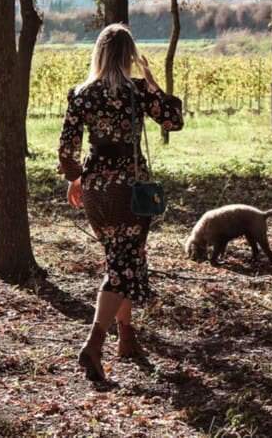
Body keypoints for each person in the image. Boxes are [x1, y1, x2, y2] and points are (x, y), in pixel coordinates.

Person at [57, 23, 184, 382]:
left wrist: (75, 178)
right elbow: (174, 120)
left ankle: (126, 337)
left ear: (98, 52)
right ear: (128, 55)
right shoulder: (137, 91)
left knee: (122, 258)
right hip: (130, 188)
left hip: (96, 188)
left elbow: (67, 150)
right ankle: (94, 344)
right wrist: (153, 81)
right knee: (123, 263)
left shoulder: (81, 94)